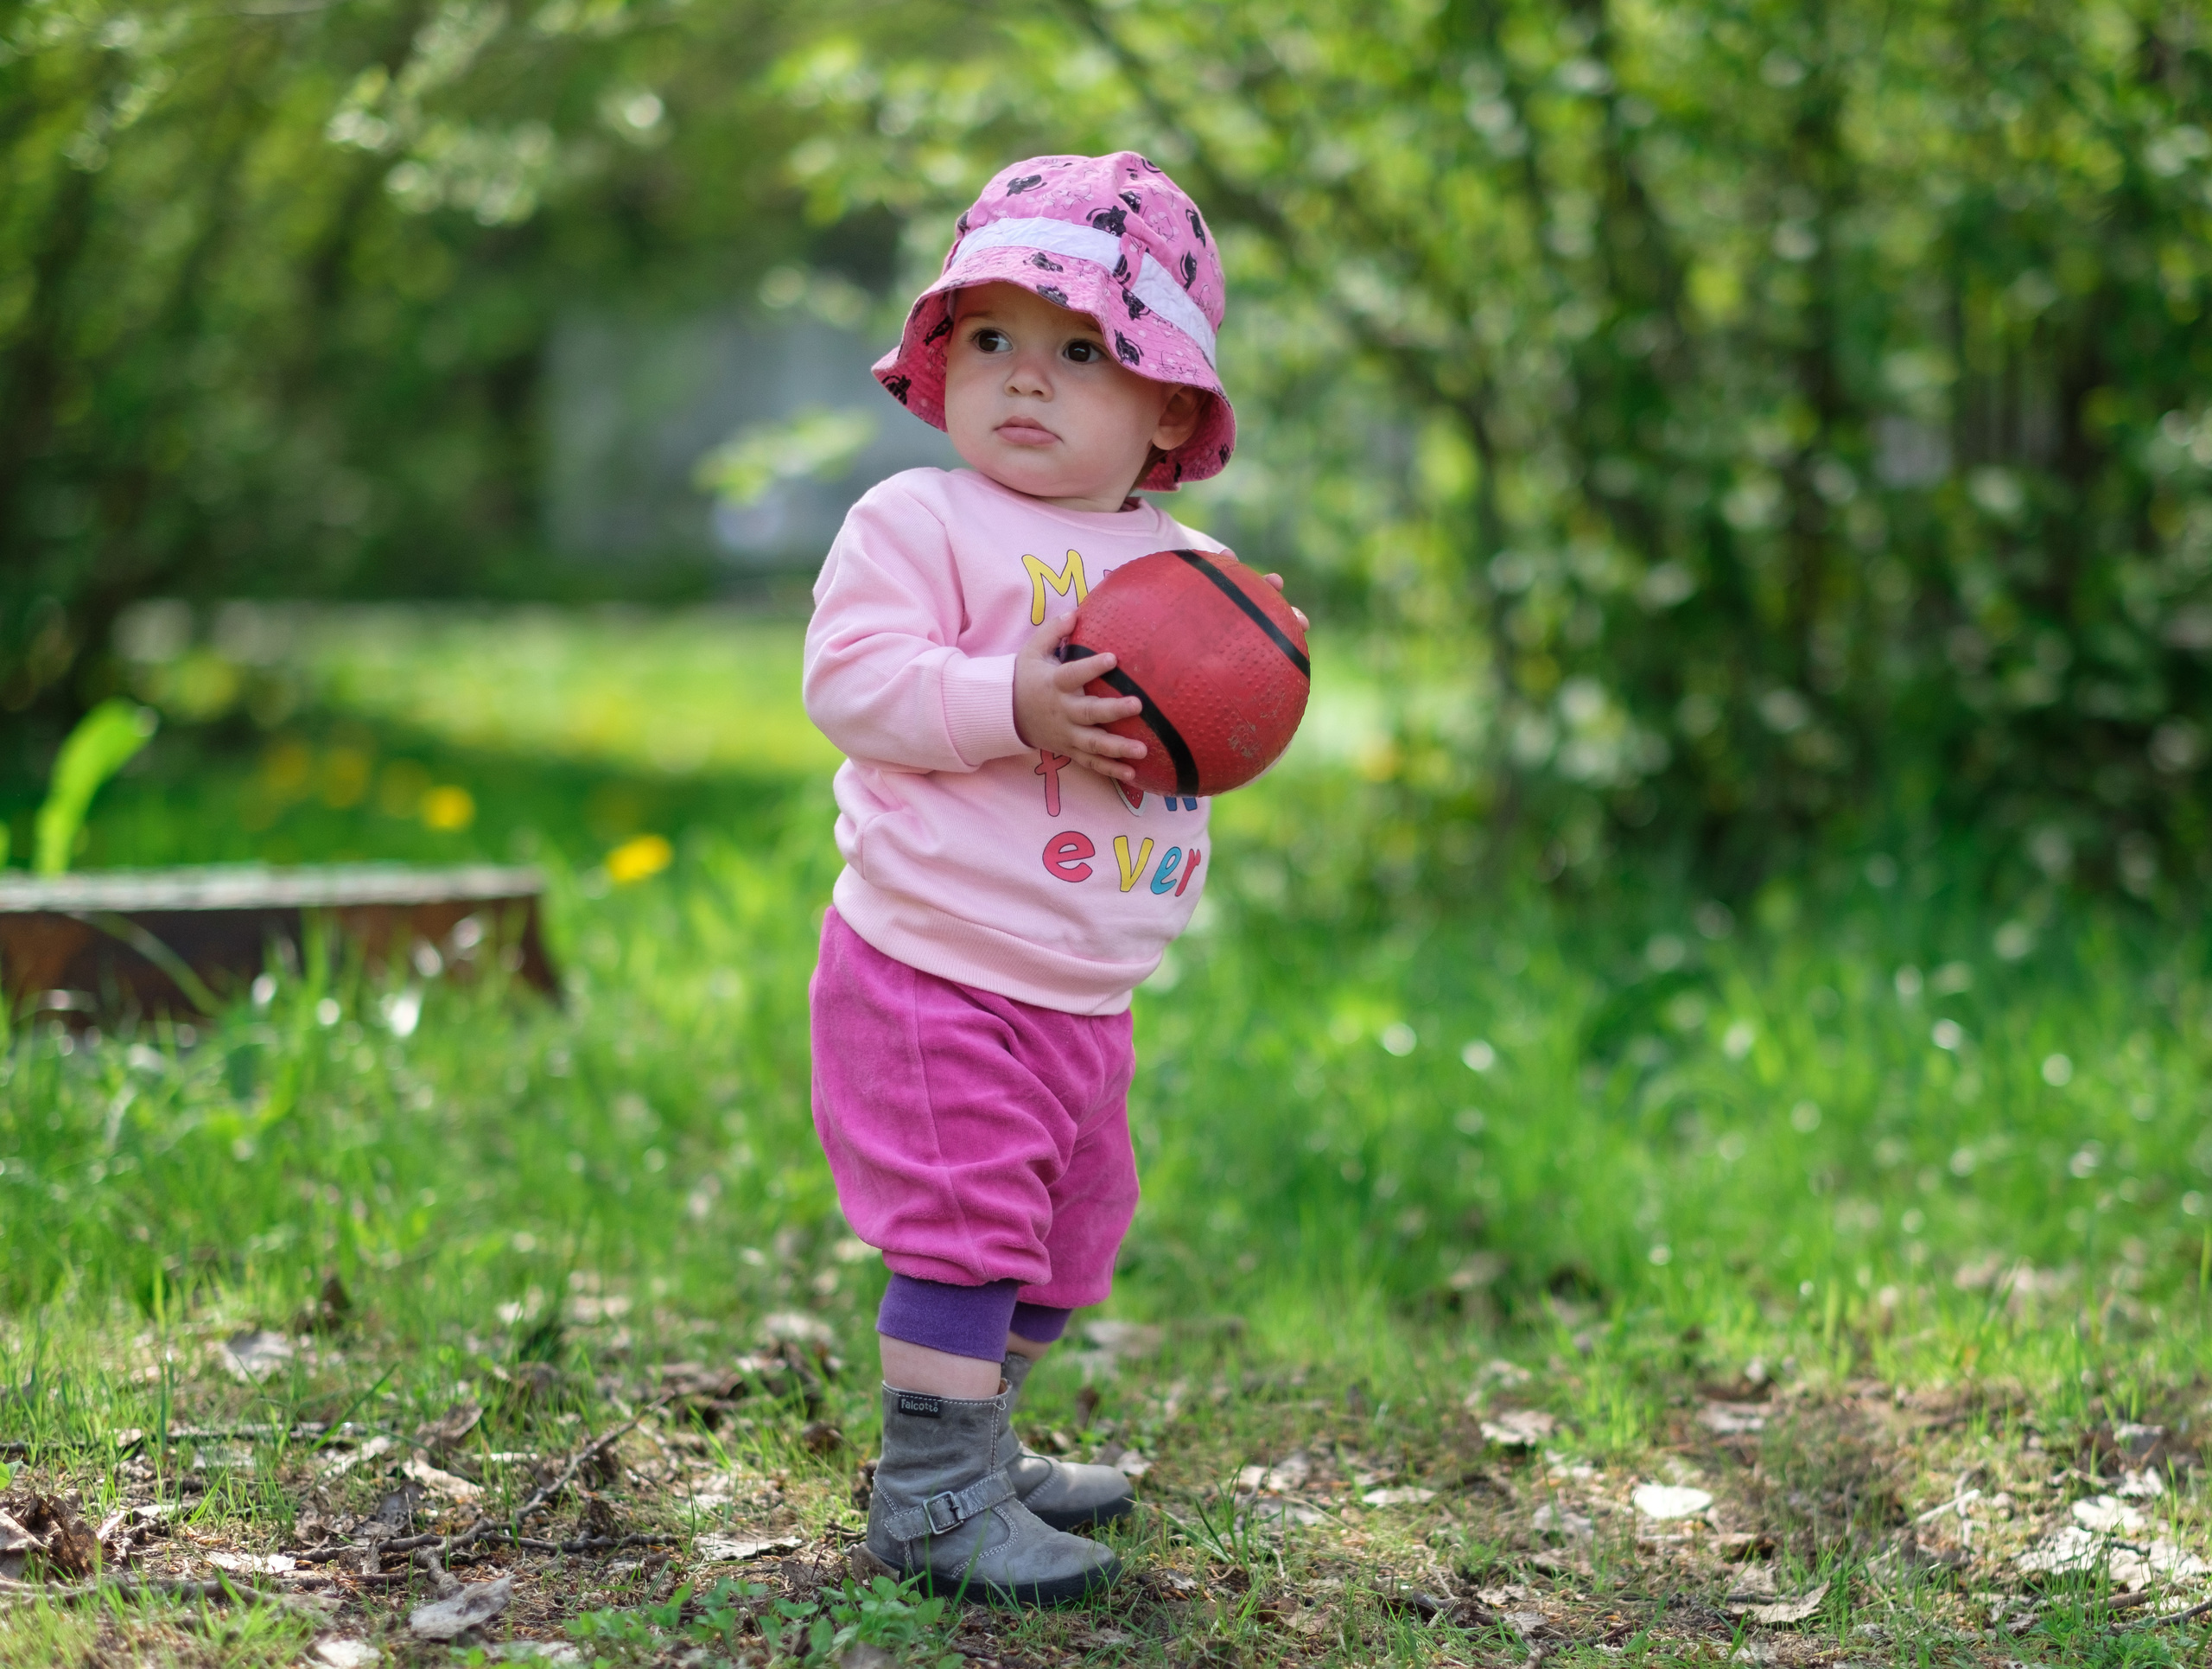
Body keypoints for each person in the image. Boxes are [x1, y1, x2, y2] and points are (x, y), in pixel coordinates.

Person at [802, 151, 1301, 1602]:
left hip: (1087, 985)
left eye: (1083, 351)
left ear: (1168, 408)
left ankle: (981, 1428)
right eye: (996, 341)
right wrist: (1004, 704)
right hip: (935, 960)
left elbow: (1225, 714)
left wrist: (1267, 663)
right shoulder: (922, 524)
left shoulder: (1191, 567)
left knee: (1066, 1248)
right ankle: (932, 1493)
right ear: (943, 363)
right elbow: (852, 681)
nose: (1027, 379)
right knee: (967, 1235)